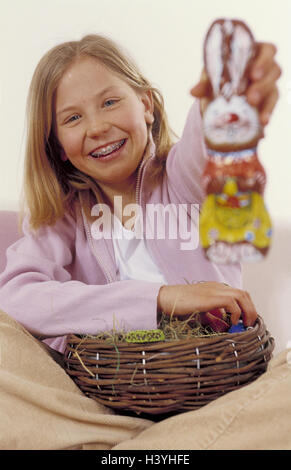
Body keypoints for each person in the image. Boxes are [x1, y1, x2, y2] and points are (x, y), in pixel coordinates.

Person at [0, 34, 286, 450]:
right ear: (58, 147)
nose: (97, 126)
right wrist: (162, 298)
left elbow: (205, 148)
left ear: (146, 105)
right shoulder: (61, 218)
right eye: (72, 118)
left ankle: (143, 449)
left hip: (217, 401)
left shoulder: (182, 181)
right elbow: (15, 295)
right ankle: (155, 446)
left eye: (110, 102)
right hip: (97, 408)